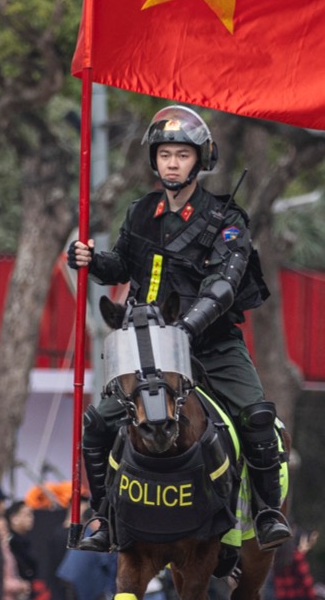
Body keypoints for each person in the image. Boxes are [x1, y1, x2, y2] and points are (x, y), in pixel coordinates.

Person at [66, 105, 290, 552]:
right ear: (155, 160)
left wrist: (185, 328)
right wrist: (90, 262)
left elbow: (224, 286)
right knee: (96, 423)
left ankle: (266, 514)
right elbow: (122, 267)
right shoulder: (141, 212)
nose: (172, 162)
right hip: (148, 348)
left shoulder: (227, 221)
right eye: (164, 154)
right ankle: (104, 517)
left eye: (182, 155)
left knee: (258, 417)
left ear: (200, 160)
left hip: (211, 342)